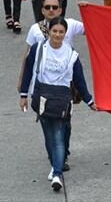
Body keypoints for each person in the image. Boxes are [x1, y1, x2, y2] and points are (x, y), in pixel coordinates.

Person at [19, 16, 97, 192]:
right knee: (49, 136)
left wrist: (89, 101)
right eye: (55, 31)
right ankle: (54, 163)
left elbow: (79, 80)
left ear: (65, 34)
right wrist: (23, 94)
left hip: (62, 101)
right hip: (42, 99)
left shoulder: (72, 55)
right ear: (49, 32)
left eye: (61, 32)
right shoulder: (38, 49)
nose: (58, 35)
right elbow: (28, 72)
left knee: (58, 137)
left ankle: (56, 173)